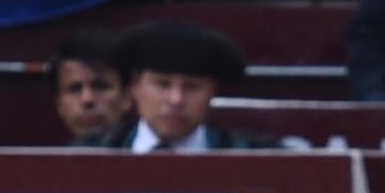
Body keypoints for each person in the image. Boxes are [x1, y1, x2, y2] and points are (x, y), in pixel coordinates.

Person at [80, 22, 270, 152]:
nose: (176, 99)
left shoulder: (248, 154)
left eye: (192, 87)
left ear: (212, 91)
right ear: (136, 86)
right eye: (162, 85)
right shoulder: (87, 155)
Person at [50, 29, 130, 146]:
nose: (87, 99)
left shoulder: (153, 160)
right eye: (75, 89)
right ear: (59, 104)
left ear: (126, 97)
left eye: (100, 87)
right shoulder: (49, 163)